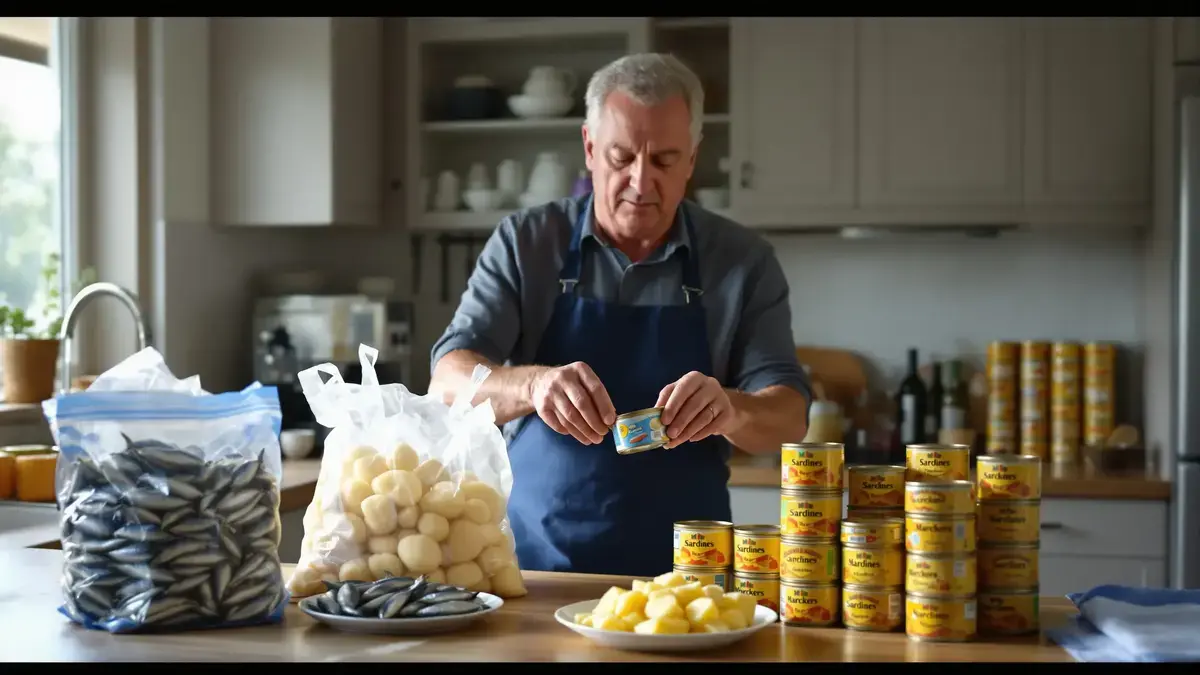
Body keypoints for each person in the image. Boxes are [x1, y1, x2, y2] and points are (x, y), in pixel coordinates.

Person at [429, 53, 811, 577]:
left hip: (690, 582)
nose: (639, 181)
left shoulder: (742, 261)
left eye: (664, 160)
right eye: (621, 156)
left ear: (693, 159)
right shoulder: (526, 243)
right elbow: (447, 383)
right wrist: (532, 387)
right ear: (589, 147)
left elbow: (789, 418)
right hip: (538, 571)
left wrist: (732, 409)